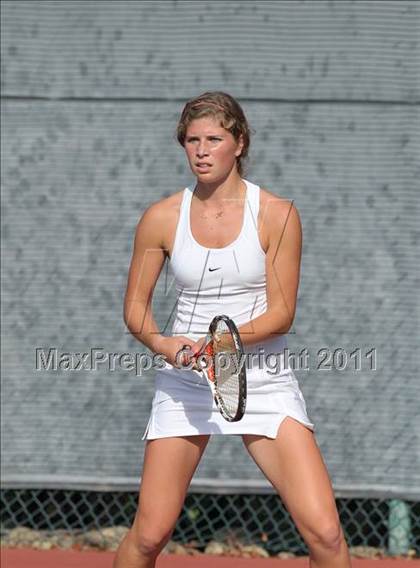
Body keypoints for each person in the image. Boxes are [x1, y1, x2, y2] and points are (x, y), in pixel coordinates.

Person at [114, 92, 352, 568]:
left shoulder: (277, 215)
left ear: (239, 142)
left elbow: (282, 314)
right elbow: (135, 311)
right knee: (150, 533)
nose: (201, 150)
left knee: (326, 535)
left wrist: (221, 344)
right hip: (186, 385)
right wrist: (163, 343)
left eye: (214, 139)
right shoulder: (160, 218)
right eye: (192, 140)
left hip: (262, 380)